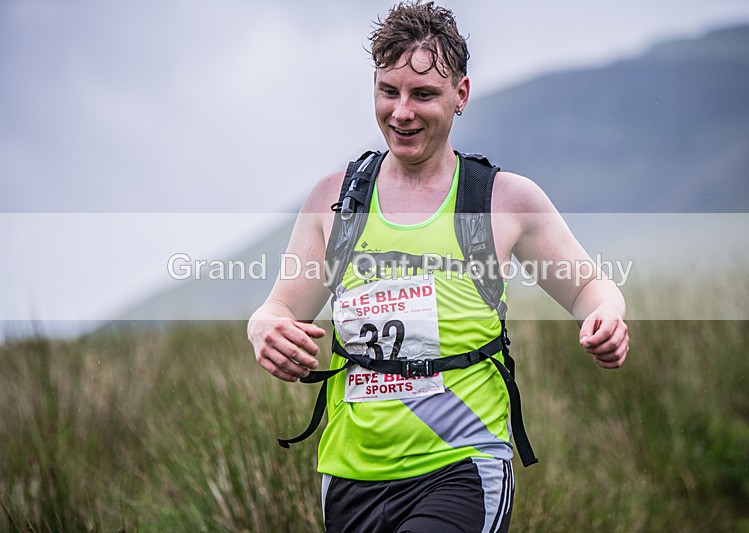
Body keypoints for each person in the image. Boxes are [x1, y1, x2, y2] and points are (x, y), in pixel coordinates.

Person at [247, 1, 629, 531]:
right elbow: (280, 308)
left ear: (461, 95)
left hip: (462, 467)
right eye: (388, 92)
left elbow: (590, 285)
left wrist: (605, 315)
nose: (402, 112)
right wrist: (264, 329)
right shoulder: (336, 201)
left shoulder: (503, 200)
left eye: (423, 94)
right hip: (350, 473)